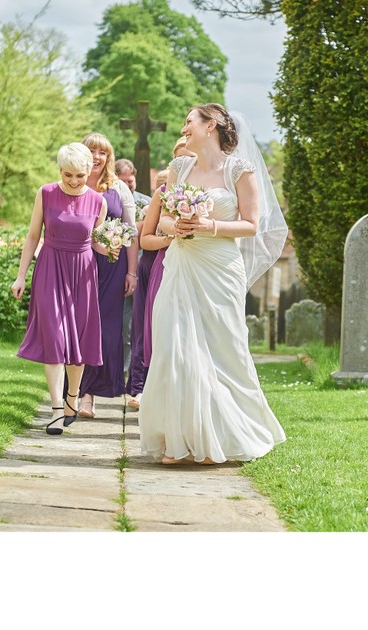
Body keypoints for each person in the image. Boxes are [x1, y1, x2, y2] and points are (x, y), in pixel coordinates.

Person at [138, 103, 288, 464]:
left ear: (212, 125)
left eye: (189, 121)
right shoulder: (178, 168)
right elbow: (163, 223)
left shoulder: (240, 169)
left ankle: (224, 436)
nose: (183, 127)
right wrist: (181, 226)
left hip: (220, 268)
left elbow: (253, 224)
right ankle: (179, 440)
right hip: (181, 264)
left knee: (222, 350)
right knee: (175, 347)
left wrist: (211, 226)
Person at [11, 143, 106, 435]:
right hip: (50, 269)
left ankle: (72, 399)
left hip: (84, 273)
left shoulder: (98, 202)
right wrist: (20, 275)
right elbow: (31, 236)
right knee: (54, 337)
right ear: (59, 171)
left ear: (90, 171)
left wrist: (115, 244)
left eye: (80, 175)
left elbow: (98, 243)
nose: (74, 181)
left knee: (77, 343)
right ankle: (54, 410)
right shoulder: (46, 193)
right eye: (68, 175)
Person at [126, 137, 196, 410]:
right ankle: (149, 389)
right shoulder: (164, 193)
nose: (184, 163)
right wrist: (173, 239)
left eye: (188, 157)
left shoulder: (209, 189)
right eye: (179, 158)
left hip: (199, 266)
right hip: (164, 265)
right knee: (158, 329)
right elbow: (145, 240)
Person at [75, 133, 139, 419]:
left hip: (113, 268)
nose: (97, 157)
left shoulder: (119, 189)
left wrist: (132, 272)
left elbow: (132, 233)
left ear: (109, 157)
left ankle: (90, 395)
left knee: (106, 331)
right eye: (92, 151)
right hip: (79, 264)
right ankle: (77, 392)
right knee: (80, 328)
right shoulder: (72, 183)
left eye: (103, 152)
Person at [115, 157, 149, 379]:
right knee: (116, 323)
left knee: (131, 324)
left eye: (131, 180)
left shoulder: (146, 202)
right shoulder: (111, 201)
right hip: (116, 265)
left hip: (140, 265)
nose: (128, 185)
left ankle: (127, 369)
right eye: (123, 181)